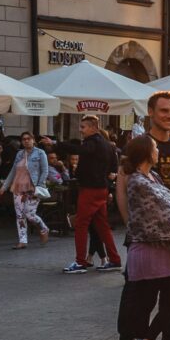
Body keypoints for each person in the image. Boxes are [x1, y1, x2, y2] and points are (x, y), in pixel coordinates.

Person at [116, 134, 170, 340]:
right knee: (143, 305)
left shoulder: (153, 176)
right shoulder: (137, 180)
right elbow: (165, 212)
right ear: (147, 153)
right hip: (148, 250)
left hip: (163, 250)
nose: (159, 151)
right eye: (156, 148)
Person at [64, 114, 119, 274]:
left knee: (81, 224)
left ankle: (80, 262)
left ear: (93, 127)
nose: (80, 130)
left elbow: (79, 150)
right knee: (102, 225)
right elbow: (112, 169)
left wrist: (57, 145)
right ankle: (114, 259)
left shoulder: (92, 143)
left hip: (90, 189)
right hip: (102, 188)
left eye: (83, 127)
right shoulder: (108, 145)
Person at [4, 131, 52, 249]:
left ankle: (43, 228)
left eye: (28, 138)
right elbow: (13, 171)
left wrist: (39, 185)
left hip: (33, 187)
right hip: (18, 187)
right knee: (20, 215)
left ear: (33, 140)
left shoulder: (40, 153)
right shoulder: (19, 154)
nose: (26, 141)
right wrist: (4, 186)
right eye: (23, 139)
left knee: (29, 214)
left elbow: (45, 170)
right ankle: (22, 241)